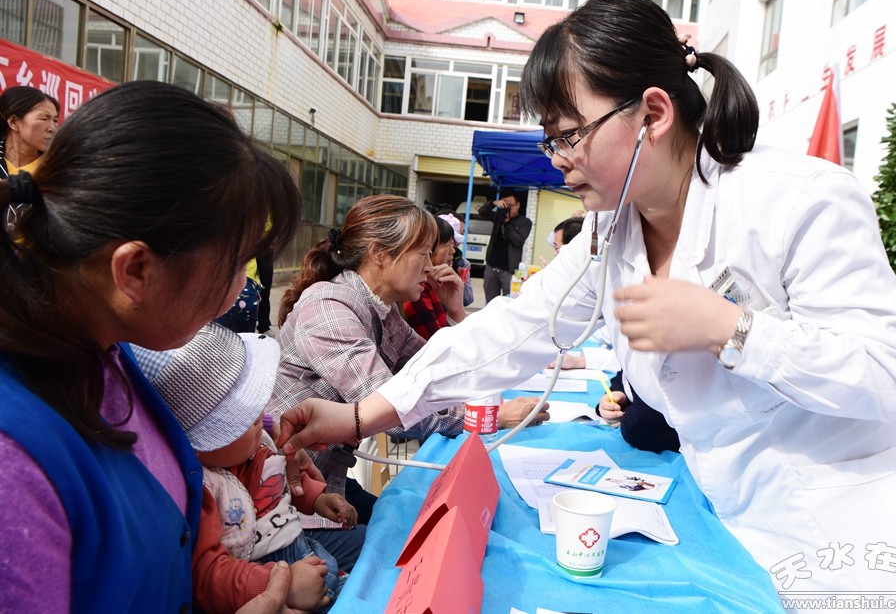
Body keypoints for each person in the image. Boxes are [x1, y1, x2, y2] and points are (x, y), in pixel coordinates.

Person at [274, 0, 896, 604]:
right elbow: (513, 329)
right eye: (550, 138)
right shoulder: (611, 228)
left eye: (569, 134)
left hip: (860, 526)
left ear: (652, 113)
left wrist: (732, 328)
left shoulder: (799, 200)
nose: (557, 157)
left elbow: (884, 375)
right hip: (739, 525)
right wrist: (362, 414)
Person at [0, 80, 299, 611]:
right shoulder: (14, 466)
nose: (241, 288)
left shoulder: (107, 348)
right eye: (235, 264)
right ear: (136, 270)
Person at [269, 195, 548, 524]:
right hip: (289, 497)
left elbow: (441, 368)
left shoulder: (382, 311)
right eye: (423, 253)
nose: (430, 266)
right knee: (408, 537)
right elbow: (391, 413)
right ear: (379, 254)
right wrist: (491, 418)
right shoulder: (329, 311)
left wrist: (456, 313)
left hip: (329, 481)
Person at [133, 323, 356, 613]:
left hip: (308, 555)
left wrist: (317, 499)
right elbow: (209, 575)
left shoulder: (253, 447)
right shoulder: (206, 491)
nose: (260, 418)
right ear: (199, 446)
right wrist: (283, 585)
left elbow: (278, 483)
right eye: (242, 420)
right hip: (272, 586)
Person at [403, 216, 467, 339]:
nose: (453, 251)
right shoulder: (417, 291)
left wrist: (456, 310)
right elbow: (438, 345)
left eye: (453, 243)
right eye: (448, 244)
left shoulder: (437, 285)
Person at [478, 187, 532, 302]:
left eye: (510, 205)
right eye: (505, 205)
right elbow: (482, 211)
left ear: (518, 205)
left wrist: (507, 225)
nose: (508, 208)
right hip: (491, 266)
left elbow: (518, 241)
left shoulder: (525, 222)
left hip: (509, 271)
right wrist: (493, 203)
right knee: (490, 303)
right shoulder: (498, 217)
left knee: (509, 302)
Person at [0, 85, 59, 179]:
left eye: (55, 120)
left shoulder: (57, 170)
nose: (52, 128)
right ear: (13, 122)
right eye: (44, 119)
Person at [437, 212, 475, 307]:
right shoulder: (421, 279)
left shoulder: (462, 263)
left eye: (461, 234)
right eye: (448, 243)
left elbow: (467, 299)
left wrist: (459, 282)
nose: (453, 250)